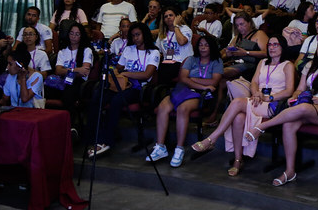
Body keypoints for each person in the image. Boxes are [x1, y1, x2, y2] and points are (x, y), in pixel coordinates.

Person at [254, 35, 318, 187]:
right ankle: (290, 171)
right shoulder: (310, 65)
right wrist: (295, 97)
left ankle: (262, 127)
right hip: (310, 104)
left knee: (304, 108)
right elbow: (299, 89)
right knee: (288, 124)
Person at [193, 35, 295, 175]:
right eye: (270, 45)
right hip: (257, 100)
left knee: (237, 102)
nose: (271, 47)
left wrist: (268, 97)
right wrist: (256, 93)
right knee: (238, 118)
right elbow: (253, 82)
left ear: (283, 47)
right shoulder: (263, 62)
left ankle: (212, 138)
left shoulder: (288, 65)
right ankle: (238, 159)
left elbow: (289, 91)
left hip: (274, 105)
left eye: (275, 44)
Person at [148, 34, 223, 168]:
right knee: (162, 108)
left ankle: (179, 149)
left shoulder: (216, 62)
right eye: (200, 45)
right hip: (183, 89)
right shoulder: (191, 59)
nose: (203, 48)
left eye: (206, 45)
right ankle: (160, 147)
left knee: (183, 109)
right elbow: (183, 78)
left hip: (201, 95)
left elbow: (214, 81)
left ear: (211, 47)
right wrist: (203, 85)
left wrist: (192, 81)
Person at [86, 22, 160, 157]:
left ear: (145, 35)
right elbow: (119, 68)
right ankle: (95, 137)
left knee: (116, 101)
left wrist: (126, 73)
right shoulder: (128, 49)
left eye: (138, 35)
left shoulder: (153, 52)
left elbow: (146, 74)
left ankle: (106, 141)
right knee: (98, 96)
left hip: (139, 88)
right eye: (133, 36)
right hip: (122, 84)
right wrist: (112, 71)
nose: (135, 38)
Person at [47, 22, 93, 127]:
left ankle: (70, 126)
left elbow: (84, 72)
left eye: (77, 34)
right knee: (46, 90)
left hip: (79, 82)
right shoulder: (63, 51)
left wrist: (68, 70)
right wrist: (76, 70)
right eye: (71, 33)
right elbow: (58, 71)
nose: (73, 36)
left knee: (68, 95)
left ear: (81, 36)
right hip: (63, 80)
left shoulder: (86, 50)